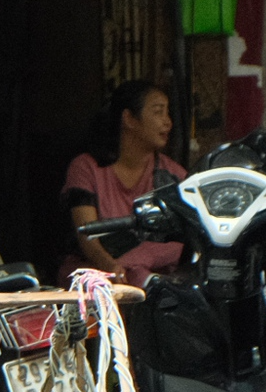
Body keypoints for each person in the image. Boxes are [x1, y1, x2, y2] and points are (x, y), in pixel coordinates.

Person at [63, 80, 186, 286]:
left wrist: (140, 261)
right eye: (158, 112)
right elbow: (86, 234)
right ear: (129, 119)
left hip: (156, 281)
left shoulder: (172, 174)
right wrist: (111, 267)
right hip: (97, 274)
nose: (168, 122)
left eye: (167, 113)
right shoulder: (86, 168)